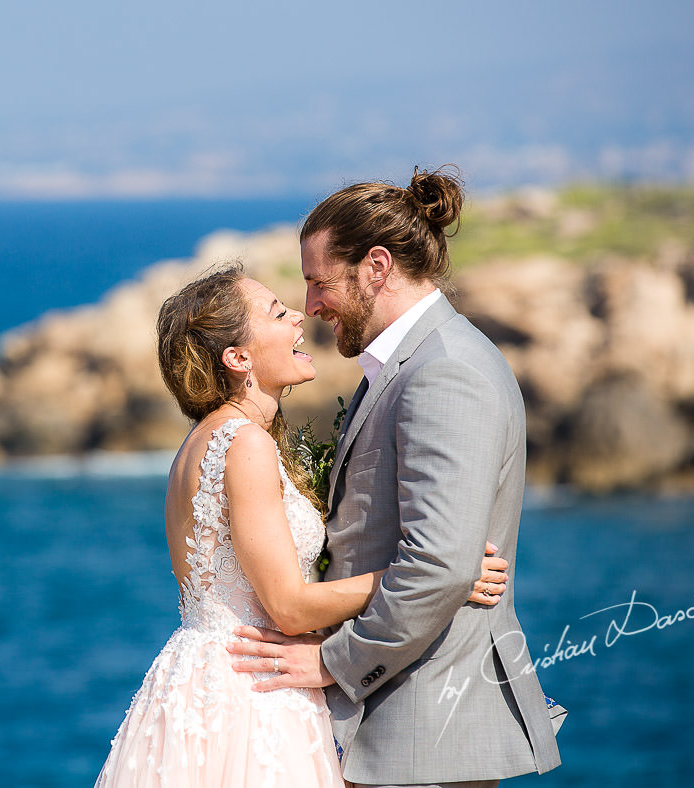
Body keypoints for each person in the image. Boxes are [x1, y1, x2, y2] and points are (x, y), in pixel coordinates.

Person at [94, 265, 512, 787]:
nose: (298, 315)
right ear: (238, 358)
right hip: (252, 692)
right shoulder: (246, 445)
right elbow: (288, 607)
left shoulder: (198, 444)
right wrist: (435, 575)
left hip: (196, 680)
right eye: (276, 312)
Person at [226, 165, 564, 788]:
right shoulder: (404, 368)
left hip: (426, 730)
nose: (311, 307)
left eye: (318, 282)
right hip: (403, 724)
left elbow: (439, 566)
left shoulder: (445, 372)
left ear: (376, 267)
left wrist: (331, 663)